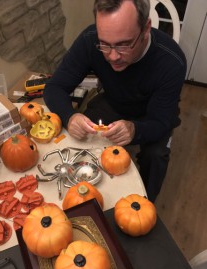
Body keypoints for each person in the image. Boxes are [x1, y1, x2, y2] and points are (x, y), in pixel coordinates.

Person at [43, 0, 187, 202]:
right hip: (114, 102)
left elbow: (161, 122)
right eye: (105, 44)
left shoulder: (171, 61)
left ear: (146, 28)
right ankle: (85, 191)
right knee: (82, 134)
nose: (112, 56)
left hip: (153, 116)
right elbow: (54, 87)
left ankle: (143, 202)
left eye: (124, 44)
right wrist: (70, 116)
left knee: (155, 155)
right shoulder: (90, 39)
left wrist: (135, 129)